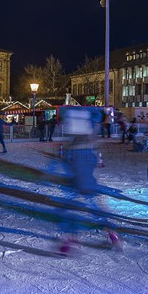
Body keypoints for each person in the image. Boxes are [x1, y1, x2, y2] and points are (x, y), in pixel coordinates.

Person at [58, 107, 122, 254]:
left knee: (69, 211)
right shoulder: (89, 152)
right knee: (96, 211)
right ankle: (112, 234)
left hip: (76, 184)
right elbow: (94, 164)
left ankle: (70, 238)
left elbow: (68, 164)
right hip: (89, 184)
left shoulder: (72, 152)